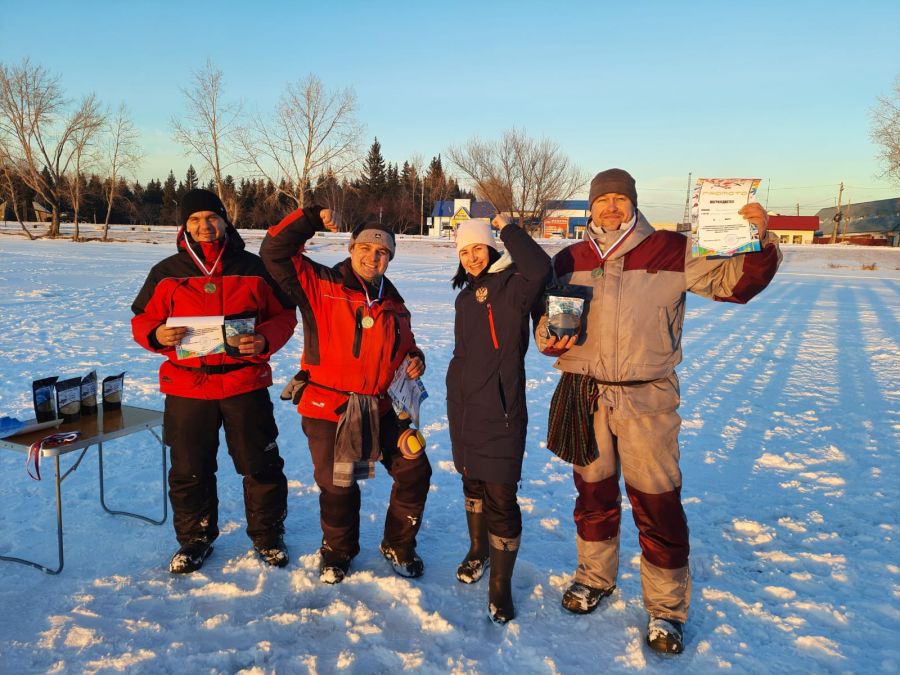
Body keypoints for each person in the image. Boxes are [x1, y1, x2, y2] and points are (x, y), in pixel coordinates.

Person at [535, 169, 781, 654]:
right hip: (585, 397)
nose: (610, 207)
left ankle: (666, 609)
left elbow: (737, 284)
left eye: (618, 199)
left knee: (657, 504)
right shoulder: (569, 257)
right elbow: (545, 322)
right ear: (591, 205)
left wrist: (760, 240)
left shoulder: (672, 248)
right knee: (593, 496)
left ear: (633, 203)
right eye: (602, 199)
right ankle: (594, 578)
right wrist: (548, 339)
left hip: (647, 399)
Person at [260, 206, 430, 584]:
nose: (374, 256)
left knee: (414, 468)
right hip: (330, 406)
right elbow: (273, 251)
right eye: (367, 247)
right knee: (339, 483)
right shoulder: (320, 283)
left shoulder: (396, 305)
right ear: (352, 248)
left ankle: (398, 544)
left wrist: (415, 359)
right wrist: (310, 219)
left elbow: (406, 347)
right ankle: (338, 551)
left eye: (383, 252)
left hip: (381, 408)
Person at [131, 189, 297, 573]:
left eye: (210, 217)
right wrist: (157, 336)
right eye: (194, 220)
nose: (203, 227)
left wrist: (265, 338)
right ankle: (195, 539)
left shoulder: (254, 267)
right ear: (184, 225)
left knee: (261, 465)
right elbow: (142, 319)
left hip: (244, 384)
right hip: (189, 387)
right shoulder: (166, 271)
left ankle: (268, 534)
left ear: (225, 220)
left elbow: (284, 315)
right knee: (190, 469)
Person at [447, 216, 551, 624]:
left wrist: (507, 227)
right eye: (464, 252)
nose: (472, 258)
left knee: (501, 497)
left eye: (477, 249)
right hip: (464, 406)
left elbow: (541, 266)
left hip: (502, 410)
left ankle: (500, 586)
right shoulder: (463, 299)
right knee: (471, 479)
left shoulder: (514, 286)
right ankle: (478, 551)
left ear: (491, 248)